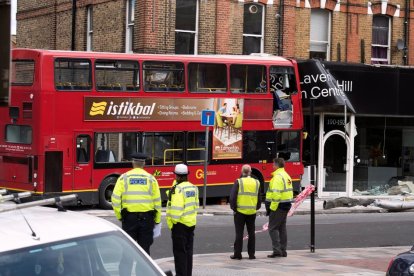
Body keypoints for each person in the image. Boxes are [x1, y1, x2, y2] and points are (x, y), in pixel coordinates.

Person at [111, 152, 161, 256]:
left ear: (133, 163)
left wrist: (120, 216)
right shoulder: (151, 179)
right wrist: (157, 220)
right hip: (147, 219)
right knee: (145, 252)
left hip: (129, 219)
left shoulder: (123, 178)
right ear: (144, 164)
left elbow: (115, 199)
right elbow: (157, 202)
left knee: (128, 251)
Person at [166, 164, 199, 276]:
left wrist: (173, 224)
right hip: (191, 224)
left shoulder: (178, 189)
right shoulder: (193, 187)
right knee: (188, 253)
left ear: (177, 176)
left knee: (180, 254)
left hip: (180, 226)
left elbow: (176, 211)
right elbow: (196, 206)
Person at [229, 164, 261, 260]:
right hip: (252, 211)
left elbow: (233, 197)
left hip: (240, 212)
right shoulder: (256, 182)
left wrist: (234, 209)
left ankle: (237, 254)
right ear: (250, 172)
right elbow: (259, 197)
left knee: (239, 233)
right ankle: (251, 254)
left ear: (242, 172)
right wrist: (256, 207)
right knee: (251, 233)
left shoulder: (238, 182)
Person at [265, 157, 293, 258]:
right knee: (282, 228)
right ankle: (283, 250)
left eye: (273, 164)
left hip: (278, 206)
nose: (272, 166)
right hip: (286, 205)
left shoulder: (277, 177)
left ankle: (277, 251)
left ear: (276, 165)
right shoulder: (286, 175)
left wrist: (272, 208)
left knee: (272, 228)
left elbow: (276, 195)